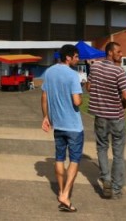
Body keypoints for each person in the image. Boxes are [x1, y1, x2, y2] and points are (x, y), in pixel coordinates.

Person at [41, 44, 84, 213]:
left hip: (57, 124)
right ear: (68, 57)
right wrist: (81, 94)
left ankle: (60, 191)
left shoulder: (50, 72)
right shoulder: (73, 75)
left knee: (59, 158)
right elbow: (77, 102)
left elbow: (44, 96)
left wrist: (45, 117)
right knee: (74, 160)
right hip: (73, 125)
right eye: (76, 56)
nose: (77, 59)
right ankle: (65, 195)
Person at [87, 41, 126, 200]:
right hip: (116, 117)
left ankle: (105, 179)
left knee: (102, 148)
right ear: (110, 53)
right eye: (118, 52)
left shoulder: (95, 67)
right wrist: (123, 105)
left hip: (100, 116)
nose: (121, 54)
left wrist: (100, 94)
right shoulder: (118, 71)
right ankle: (116, 189)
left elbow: (89, 87)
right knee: (118, 153)